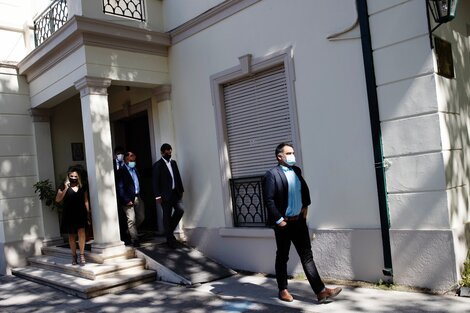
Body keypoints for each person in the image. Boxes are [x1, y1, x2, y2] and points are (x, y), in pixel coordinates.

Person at [262, 143, 342, 303]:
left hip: (299, 222)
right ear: (279, 157)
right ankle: (283, 290)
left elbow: (303, 191)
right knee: (283, 256)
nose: (293, 155)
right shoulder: (272, 174)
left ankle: (320, 291)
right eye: (289, 153)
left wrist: (305, 208)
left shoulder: (296, 171)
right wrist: (279, 221)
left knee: (307, 256)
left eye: (293, 153)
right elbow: (269, 200)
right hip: (283, 223)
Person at [55, 166, 91, 265]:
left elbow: (86, 200)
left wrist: (88, 213)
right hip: (69, 214)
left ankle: (82, 254)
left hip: (81, 213)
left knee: (82, 234)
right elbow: (58, 199)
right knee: (72, 236)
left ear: (78, 177)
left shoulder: (82, 186)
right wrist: (66, 188)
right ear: (68, 176)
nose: (73, 178)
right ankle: (74, 256)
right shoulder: (63, 186)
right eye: (71, 176)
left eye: (75, 176)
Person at [152, 143, 184, 248]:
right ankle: (170, 240)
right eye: (166, 151)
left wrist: (181, 190)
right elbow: (155, 182)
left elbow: (177, 177)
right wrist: (157, 196)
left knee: (180, 210)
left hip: (176, 193)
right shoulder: (158, 165)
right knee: (167, 215)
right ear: (162, 152)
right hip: (164, 196)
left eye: (170, 151)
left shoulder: (174, 163)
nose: (169, 153)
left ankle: (168, 232)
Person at [116, 151, 145, 247]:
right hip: (128, 199)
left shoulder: (135, 169)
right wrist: (126, 199)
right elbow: (120, 187)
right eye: (132, 157)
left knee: (141, 217)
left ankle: (129, 231)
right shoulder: (121, 171)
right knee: (131, 220)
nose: (134, 159)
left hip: (138, 197)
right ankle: (135, 239)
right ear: (126, 159)